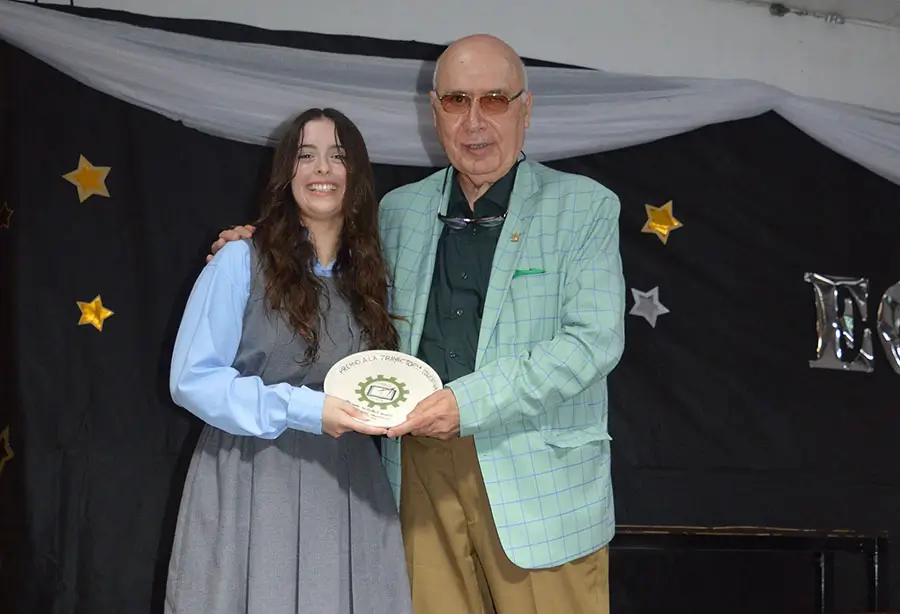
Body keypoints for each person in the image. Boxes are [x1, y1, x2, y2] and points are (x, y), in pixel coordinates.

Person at [212, 34, 625, 614]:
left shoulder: (585, 206)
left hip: (538, 481)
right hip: (417, 472)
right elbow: (330, 268)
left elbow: (592, 342)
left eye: (494, 99)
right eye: (457, 101)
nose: (475, 121)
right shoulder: (398, 211)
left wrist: (466, 404)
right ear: (435, 113)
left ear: (526, 110)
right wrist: (256, 245)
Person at [167, 108, 412, 614]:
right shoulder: (239, 260)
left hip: (347, 483)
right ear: (286, 173)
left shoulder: (374, 281)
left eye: (337, 156)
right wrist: (303, 409)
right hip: (250, 477)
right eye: (306, 155)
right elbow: (192, 379)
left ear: (357, 175)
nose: (322, 169)